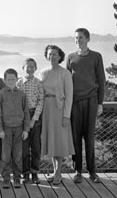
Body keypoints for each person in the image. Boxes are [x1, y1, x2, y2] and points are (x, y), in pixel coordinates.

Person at [66, 28, 106, 184]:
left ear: (88, 39)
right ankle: (77, 171)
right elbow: (67, 83)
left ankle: (92, 171)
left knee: (89, 138)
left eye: (81, 37)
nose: (78, 40)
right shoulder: (70, 58)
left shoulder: (96, 57)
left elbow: (101, 81)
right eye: (76, 38)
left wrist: (100, 103)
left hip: (91, 101)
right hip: (75, 103)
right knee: (75, 138)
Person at [40, 45, 74, 185]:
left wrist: (66, 115)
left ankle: (58, 172)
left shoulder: (65, 73)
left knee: (59, 142)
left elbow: (69, 96)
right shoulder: (43, 72)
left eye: (55, 54)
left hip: (59, 110)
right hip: (46, 110)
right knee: (52, 142)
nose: (52, 56)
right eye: (50, 54)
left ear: (60, 56)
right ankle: (55, 172)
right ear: (47, 56)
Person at [0, 68, 30, 189]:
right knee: (5, 156)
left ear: (17, 79)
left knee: (18, 155)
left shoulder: (22, 95)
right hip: (6, 129)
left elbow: (26, 113)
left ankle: (17, 178)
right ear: (4, 80)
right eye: (8, 79)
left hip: (19, 129)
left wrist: (26, 129)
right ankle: (5, 178)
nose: (10, 81)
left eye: (13, 79)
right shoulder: (0, 94)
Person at [17, 58, 44, 184]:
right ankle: (25, 173)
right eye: (27, 66)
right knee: (24, 147)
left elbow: (41, 102)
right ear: (23, 68)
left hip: (35, 117)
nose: (30, 68)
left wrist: (34, 119)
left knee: (36, 147)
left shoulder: (39, 83)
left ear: (36, 68)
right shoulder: (19, 83)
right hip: (22, 116)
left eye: (32, 66)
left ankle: (35, 173)